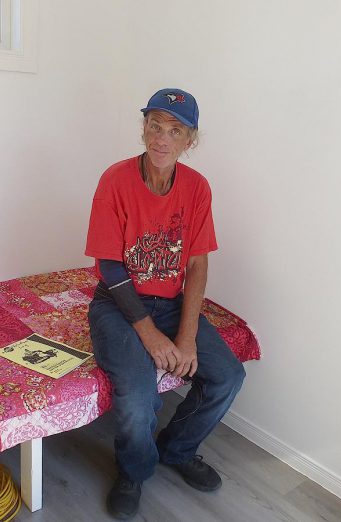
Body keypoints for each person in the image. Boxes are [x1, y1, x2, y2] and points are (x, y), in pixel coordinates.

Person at [85, 88, 246, 519]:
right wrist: (151, 335)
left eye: (174, 131)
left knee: (228, 376)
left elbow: (196, 265)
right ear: (143, 128)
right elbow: (110, 267)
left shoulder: (197, 188)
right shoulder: (115, 179)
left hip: (171, 301)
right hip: (119, 304)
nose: (161, 138)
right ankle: (134, 470)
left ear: (190, 140)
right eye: (154, 126)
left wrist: (187, 337)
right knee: (138, 395)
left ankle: (176, 450)